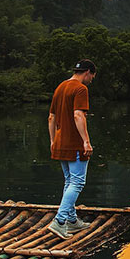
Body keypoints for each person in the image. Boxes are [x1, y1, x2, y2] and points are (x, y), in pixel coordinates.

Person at [47, 59, 96, 239]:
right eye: (92, 76)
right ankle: (59, 221)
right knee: (77, 182)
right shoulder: (81, 89)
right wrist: (86, 142)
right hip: (74, 143)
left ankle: (72, 221)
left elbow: (51, 117)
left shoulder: (60, 87)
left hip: (60, 142)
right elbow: (78, 114)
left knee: (69, 181)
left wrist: (53, 141)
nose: (91, 80)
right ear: (88, 72)